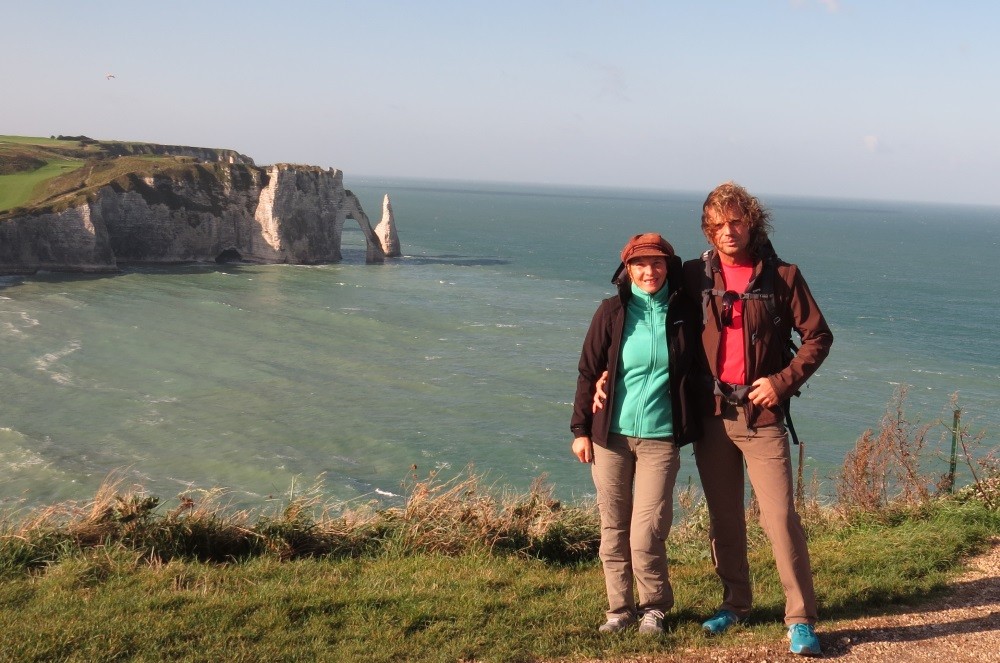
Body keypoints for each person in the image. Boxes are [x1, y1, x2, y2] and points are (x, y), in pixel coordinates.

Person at [683, 181, 833, 656]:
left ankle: (800, 618)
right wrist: (603, 375)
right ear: (709, 230)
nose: (728, 231)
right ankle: (736, 604)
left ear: (752, 223)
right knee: (724, 518)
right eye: (718, 224)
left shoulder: (783, 276)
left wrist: (781, 382)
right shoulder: (693, 275)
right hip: (712, 416)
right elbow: (643, 313)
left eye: (736, 221)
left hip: (762, 417)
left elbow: (818, 337)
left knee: (779, 518)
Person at [570, 233, 702, 635]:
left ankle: (655, 607)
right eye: (640, 264)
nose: (649, 271)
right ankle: (619, 609)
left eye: (657, 263)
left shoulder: (685, 314)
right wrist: (579, 430)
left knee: (647, 529)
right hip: (610, 436)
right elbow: (588, 371)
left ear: (668, 267)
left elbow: (701, 366)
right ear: (627, 270)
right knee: (613, 527)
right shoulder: (611, 312)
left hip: (661, 438)